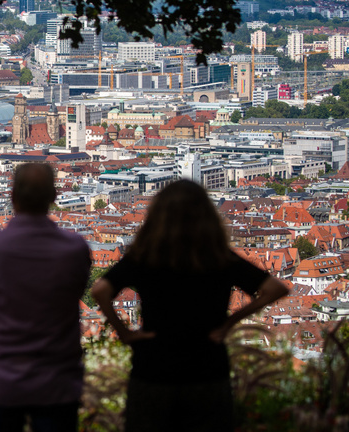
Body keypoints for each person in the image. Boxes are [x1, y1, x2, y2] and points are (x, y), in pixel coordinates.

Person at [91, 179, 289, 432]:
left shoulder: (146, 255)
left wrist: (125, 332)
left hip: (154, 366)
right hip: (206, 367)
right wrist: (230, 323)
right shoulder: (218, 256)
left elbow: (100, 290)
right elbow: (276, 288)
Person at [0, 163, 91, 432]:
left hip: (3, 381)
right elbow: (76, 296)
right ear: (54, 197)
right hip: (57, 382)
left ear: (12, 196)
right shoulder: (74, 249)